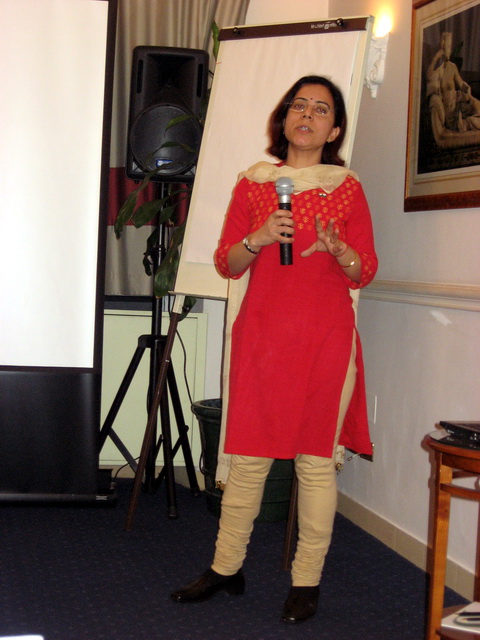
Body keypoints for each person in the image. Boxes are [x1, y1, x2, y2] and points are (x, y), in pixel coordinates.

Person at [170, 75, 378, 623]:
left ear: (335, 130)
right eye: (298, 106)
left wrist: (340, 249)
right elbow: (227, 262)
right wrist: (257, 237)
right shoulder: (254, 183)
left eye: (321, 109)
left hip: (324, 340)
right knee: (248, 460)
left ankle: (306, 580)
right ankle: (225, 568)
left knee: (315, 464)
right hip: (262, 336)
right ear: (284, 119)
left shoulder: (347, 188)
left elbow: (365, 271)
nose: (307, 115)